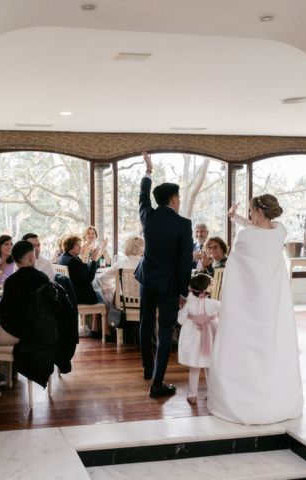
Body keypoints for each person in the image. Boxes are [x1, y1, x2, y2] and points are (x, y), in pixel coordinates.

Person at [207, 195, 303, 425]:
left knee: (245, 347)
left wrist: (236, 221)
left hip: (249, 304)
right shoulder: (280, 232)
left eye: (251, 211)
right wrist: (235, 217)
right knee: (270, 345)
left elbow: (237, 262)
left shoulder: (246, 236)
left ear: (259, 212)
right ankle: (276, 398)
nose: (249, 216)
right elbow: (259, 230)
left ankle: (241, 400)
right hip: (272, 302)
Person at [135, 152, 193, 398]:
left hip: (147, 278)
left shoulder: (148, 216)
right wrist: (182, 291)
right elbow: (184, 262)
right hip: (168, 284)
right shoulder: (183, 224)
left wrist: (148, 172)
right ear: (173, 198)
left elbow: (142, 197)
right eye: (178, 196)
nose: (180, 200)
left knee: (145, 323)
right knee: (165, 329)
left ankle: (148, 369)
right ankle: (157, 383)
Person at [0, 241, 50, 346]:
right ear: (31, 257)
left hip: (17, 333)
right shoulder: (43, 278)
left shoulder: (11, 281)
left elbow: (3, 311)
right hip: (39, 331)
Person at [177, 273, 220, 405]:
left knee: (195, 369)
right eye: (211, 284)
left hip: (193, 340)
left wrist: (182, 309)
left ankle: (193, 395)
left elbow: (180, 320)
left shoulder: (188, 304)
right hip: (210, 339)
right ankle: (211, 393)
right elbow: (226, 310)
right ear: (205, 289)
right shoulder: (214, 303)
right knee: (209, 367)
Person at [58, 234, 105, 339]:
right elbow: (89, 278)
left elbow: (83, 270)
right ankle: (104, 330)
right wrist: (93, 260)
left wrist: (89, 260)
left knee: (99, 291)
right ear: (71, 247)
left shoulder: (64, 258)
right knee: (104, 295)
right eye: (78, 245)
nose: (81, 247)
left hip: (72, 294)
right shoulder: (72, 261)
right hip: (80, 296)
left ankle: (96, 329)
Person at [96, 235, 144, 304]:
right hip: (145, 304)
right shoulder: (147, 265)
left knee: (114, 291)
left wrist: (115, 288)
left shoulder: (121, 263)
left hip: (124, 303)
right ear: (141, 249)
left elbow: (102, 278)